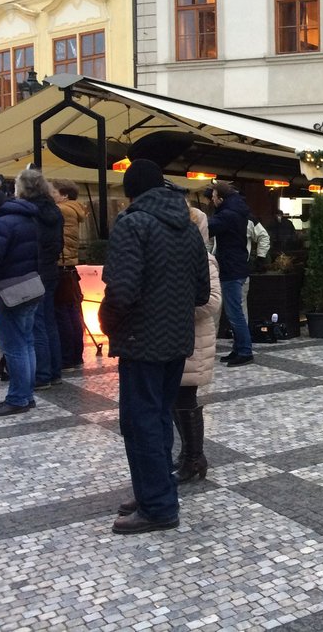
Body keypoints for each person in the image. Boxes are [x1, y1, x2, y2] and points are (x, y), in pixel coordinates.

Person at [100, 159, 210, 534]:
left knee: (141, 422)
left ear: (131, 192)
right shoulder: (189, 227)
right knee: (159, 417)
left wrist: (107, 322)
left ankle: (159, 508)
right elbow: (200, 291)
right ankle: (154, 491)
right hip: (177, 339)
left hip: (141, 341)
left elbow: (123, 290)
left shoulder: (133, 224)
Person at [174, 205, 221, 483]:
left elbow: (212, 301)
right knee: (175, 399)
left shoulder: (204, 258)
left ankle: (194, 457)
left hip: (194, 340)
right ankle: (188, 454)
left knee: (185, 398)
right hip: (178, 338)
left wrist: (173, 307)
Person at [0, 186, 40, 417]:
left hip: (8, 292)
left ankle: (18, 398)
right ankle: (27, 395)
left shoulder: (0, 224)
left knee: (14, 347)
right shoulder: (26, 219)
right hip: (31, 288)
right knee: (27, 343)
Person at [19, 170, 63, 390]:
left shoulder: (29, 212)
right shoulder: (54, 209)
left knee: (36, 325)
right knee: (49, 322)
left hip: (35, 270)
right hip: (51, 270)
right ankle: (55, 371)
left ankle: (42, 374)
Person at [208, 182, 253, 367]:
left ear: (221, 198)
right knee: (234, 312)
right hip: (236, 266)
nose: (212, 199)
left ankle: (244, 351)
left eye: (213, 196)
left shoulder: (227, 215)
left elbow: (208, 227)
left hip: (231, 269)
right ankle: (238, 349)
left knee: (235, 313)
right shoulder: (235, 211)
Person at [52, 179, 88, 369]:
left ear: (64, 195)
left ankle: (67, 357)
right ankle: (76, 355)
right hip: (70, 267)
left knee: (62, 313)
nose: (51, 195)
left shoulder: (61, 210)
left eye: (54, 192)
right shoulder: (74, 209)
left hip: (60, 265)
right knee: (72, 312)